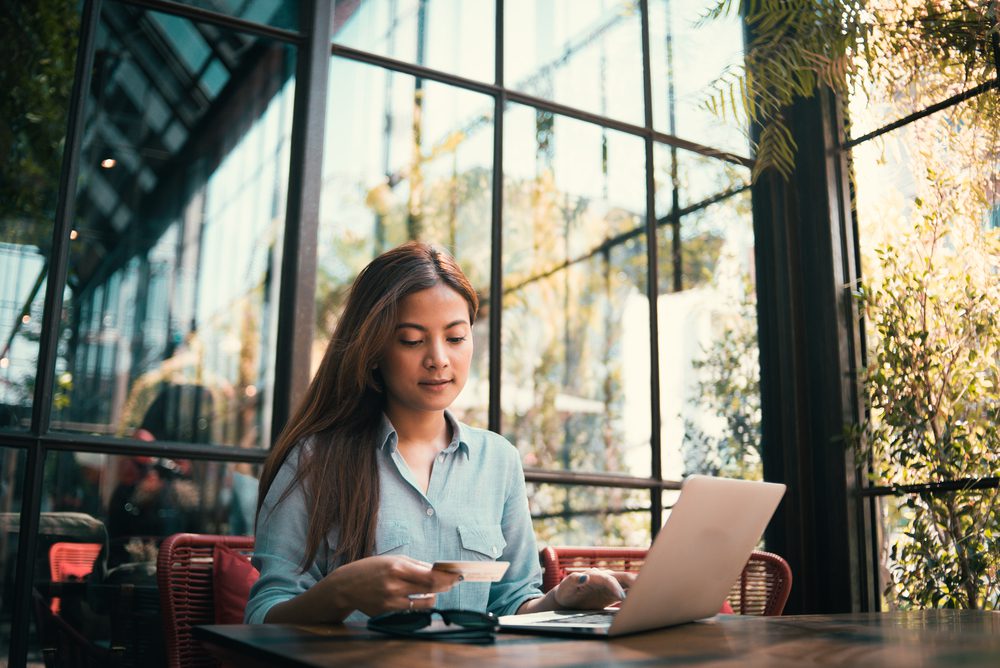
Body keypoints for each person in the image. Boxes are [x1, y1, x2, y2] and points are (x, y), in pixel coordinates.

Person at [245, 241, 633, 625]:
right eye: (412, 340)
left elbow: (513, 601)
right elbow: (262, 617)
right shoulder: (316, 460)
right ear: (374, 349)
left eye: (455, 337)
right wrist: (341, 592)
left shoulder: (498, 460)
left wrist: (562, 599)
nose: (438, 359)